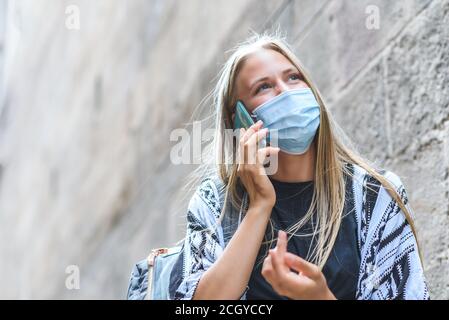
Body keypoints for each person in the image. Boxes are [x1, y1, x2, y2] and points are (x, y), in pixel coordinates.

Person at [168, 32, 429, 300]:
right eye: (263, 87)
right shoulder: (216, 203)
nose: (286, 91)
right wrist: (259, 205)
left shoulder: (375, 195)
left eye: (293, 77)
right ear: (240, 120)